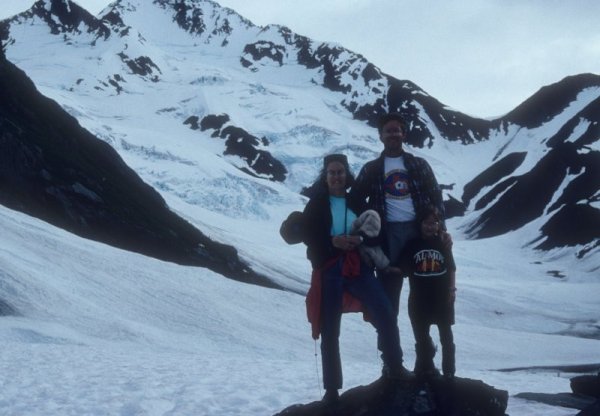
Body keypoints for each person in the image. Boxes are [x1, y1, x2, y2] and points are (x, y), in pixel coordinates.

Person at [299, 153, 411, 404]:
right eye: (332, 172)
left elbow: (375, 233)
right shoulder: (317, 203)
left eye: (340, 172)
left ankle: (395, 366)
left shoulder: (357, 201)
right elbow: (309, 234)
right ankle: (331, 390)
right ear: (325, 176)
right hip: (329, 268)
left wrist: (359, 240)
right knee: (330, 327)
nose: (337, 176)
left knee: (384, 310)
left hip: (358, 266)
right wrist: (332, 242)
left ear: (347, 175)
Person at [349, 112, 449, 322]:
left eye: (397, 130)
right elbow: (355, 198)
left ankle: (424, 347)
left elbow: (435, 196)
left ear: (404, 134)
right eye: (388, 131)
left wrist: (442, 229)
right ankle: (389, 348)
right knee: (388, 294)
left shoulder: (419, 165)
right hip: (388, 234)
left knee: (423, 290)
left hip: (418, 233)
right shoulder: (372, 168)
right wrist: (370, 218)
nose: (393, 134)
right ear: (381, 136)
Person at [399, 205, 456, 379]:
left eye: (434, 223)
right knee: (422, 338)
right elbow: (403, 268)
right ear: (420, 224)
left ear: (439, 225)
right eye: (426, 222)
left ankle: (449, 373)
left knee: (446, 338)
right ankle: (425, 369)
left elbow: (452, 268)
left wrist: (452, 289)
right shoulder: (412, 244)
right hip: (419, 300)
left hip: (442, 299)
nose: (430, 226)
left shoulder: (443, 244)